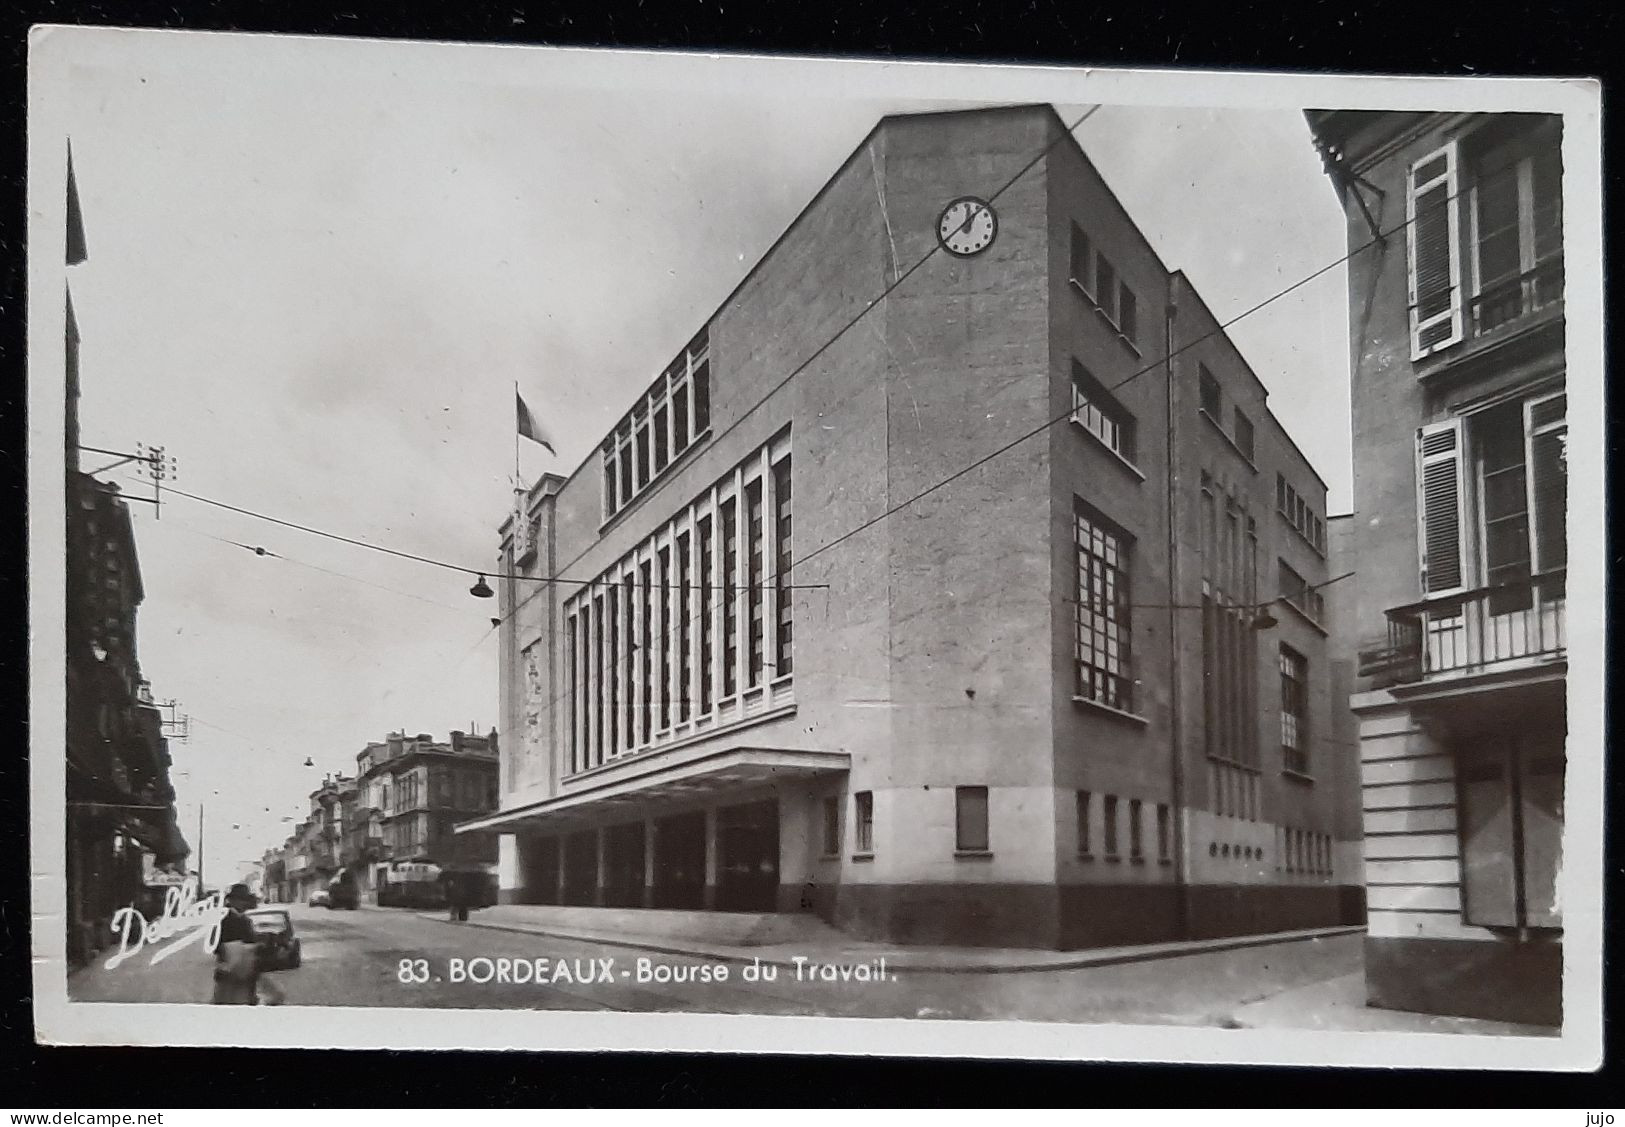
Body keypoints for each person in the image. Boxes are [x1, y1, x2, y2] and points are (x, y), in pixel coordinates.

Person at [212, 883, 284, 1005]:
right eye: (242, 900)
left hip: (240, 972)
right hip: (236, 972)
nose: (245, 903)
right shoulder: (230, 920)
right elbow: (226, 946)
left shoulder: (237, 919)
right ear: (234, 901)